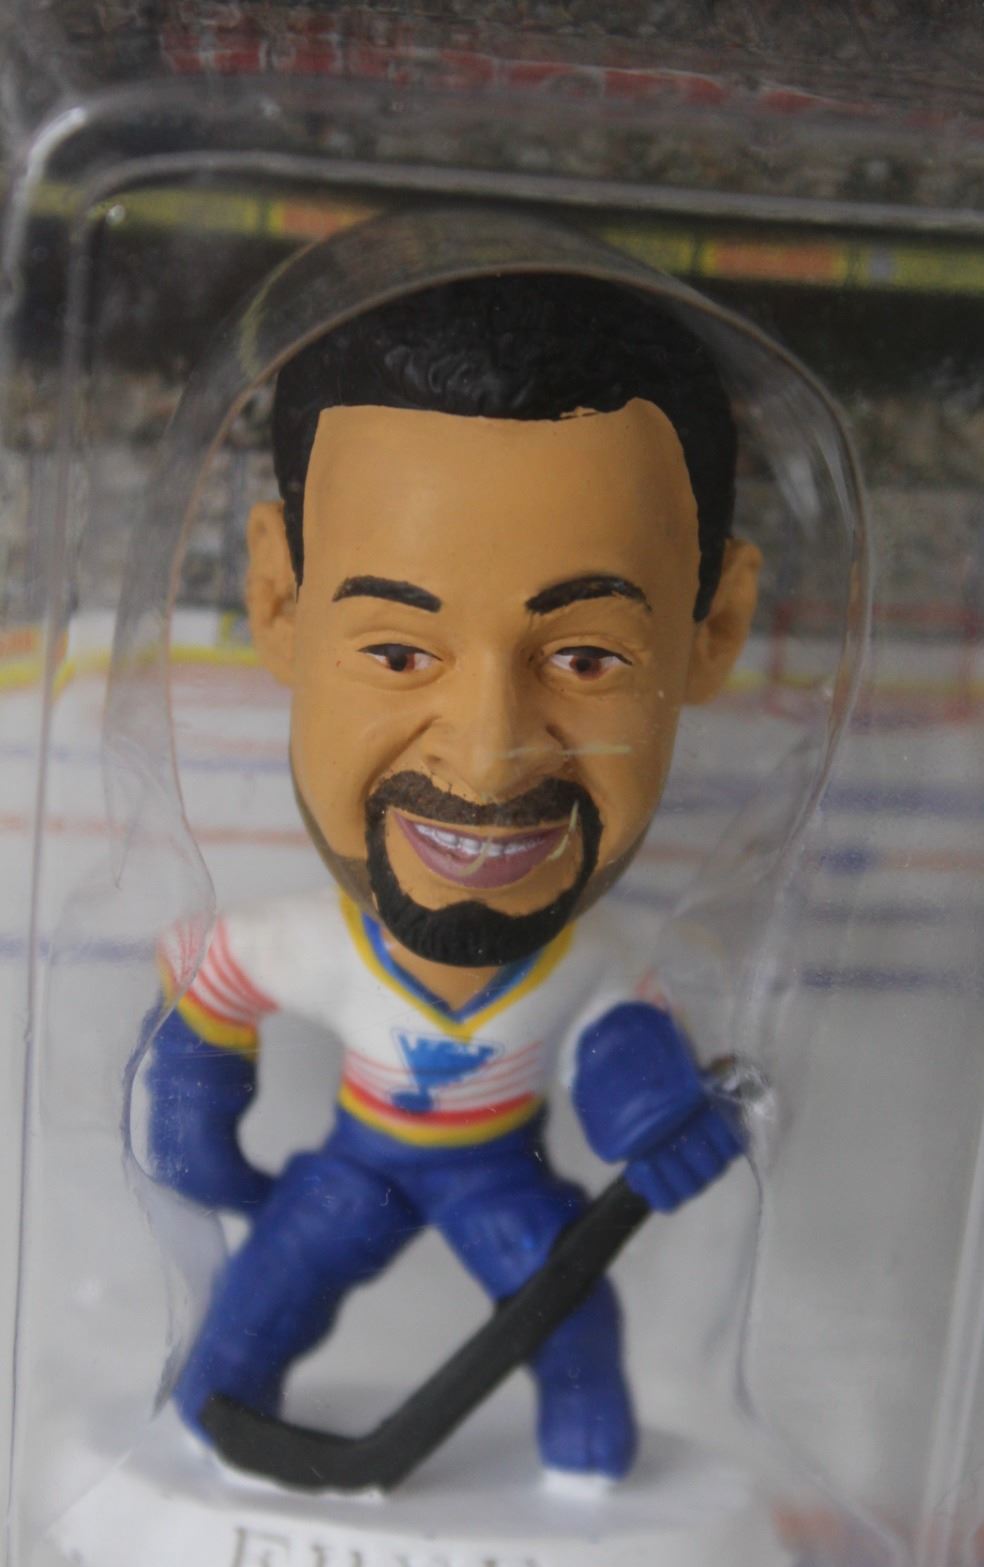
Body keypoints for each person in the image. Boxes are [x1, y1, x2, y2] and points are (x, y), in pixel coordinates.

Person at [147, 272, 760, 1480]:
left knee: (570, 1319)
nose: (487, 758)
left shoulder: (593, 961)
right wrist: (194, 1133)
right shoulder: (316, 942)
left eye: (586, 659)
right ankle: (211, 1418)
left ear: (713, 630)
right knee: (262, 1300)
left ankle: (585, 1468)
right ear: (277, 598)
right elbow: (207, 996)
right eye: (397, 651)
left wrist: (666, 1126)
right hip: (357, 1167)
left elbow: (626, 1060)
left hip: (498, 1177)